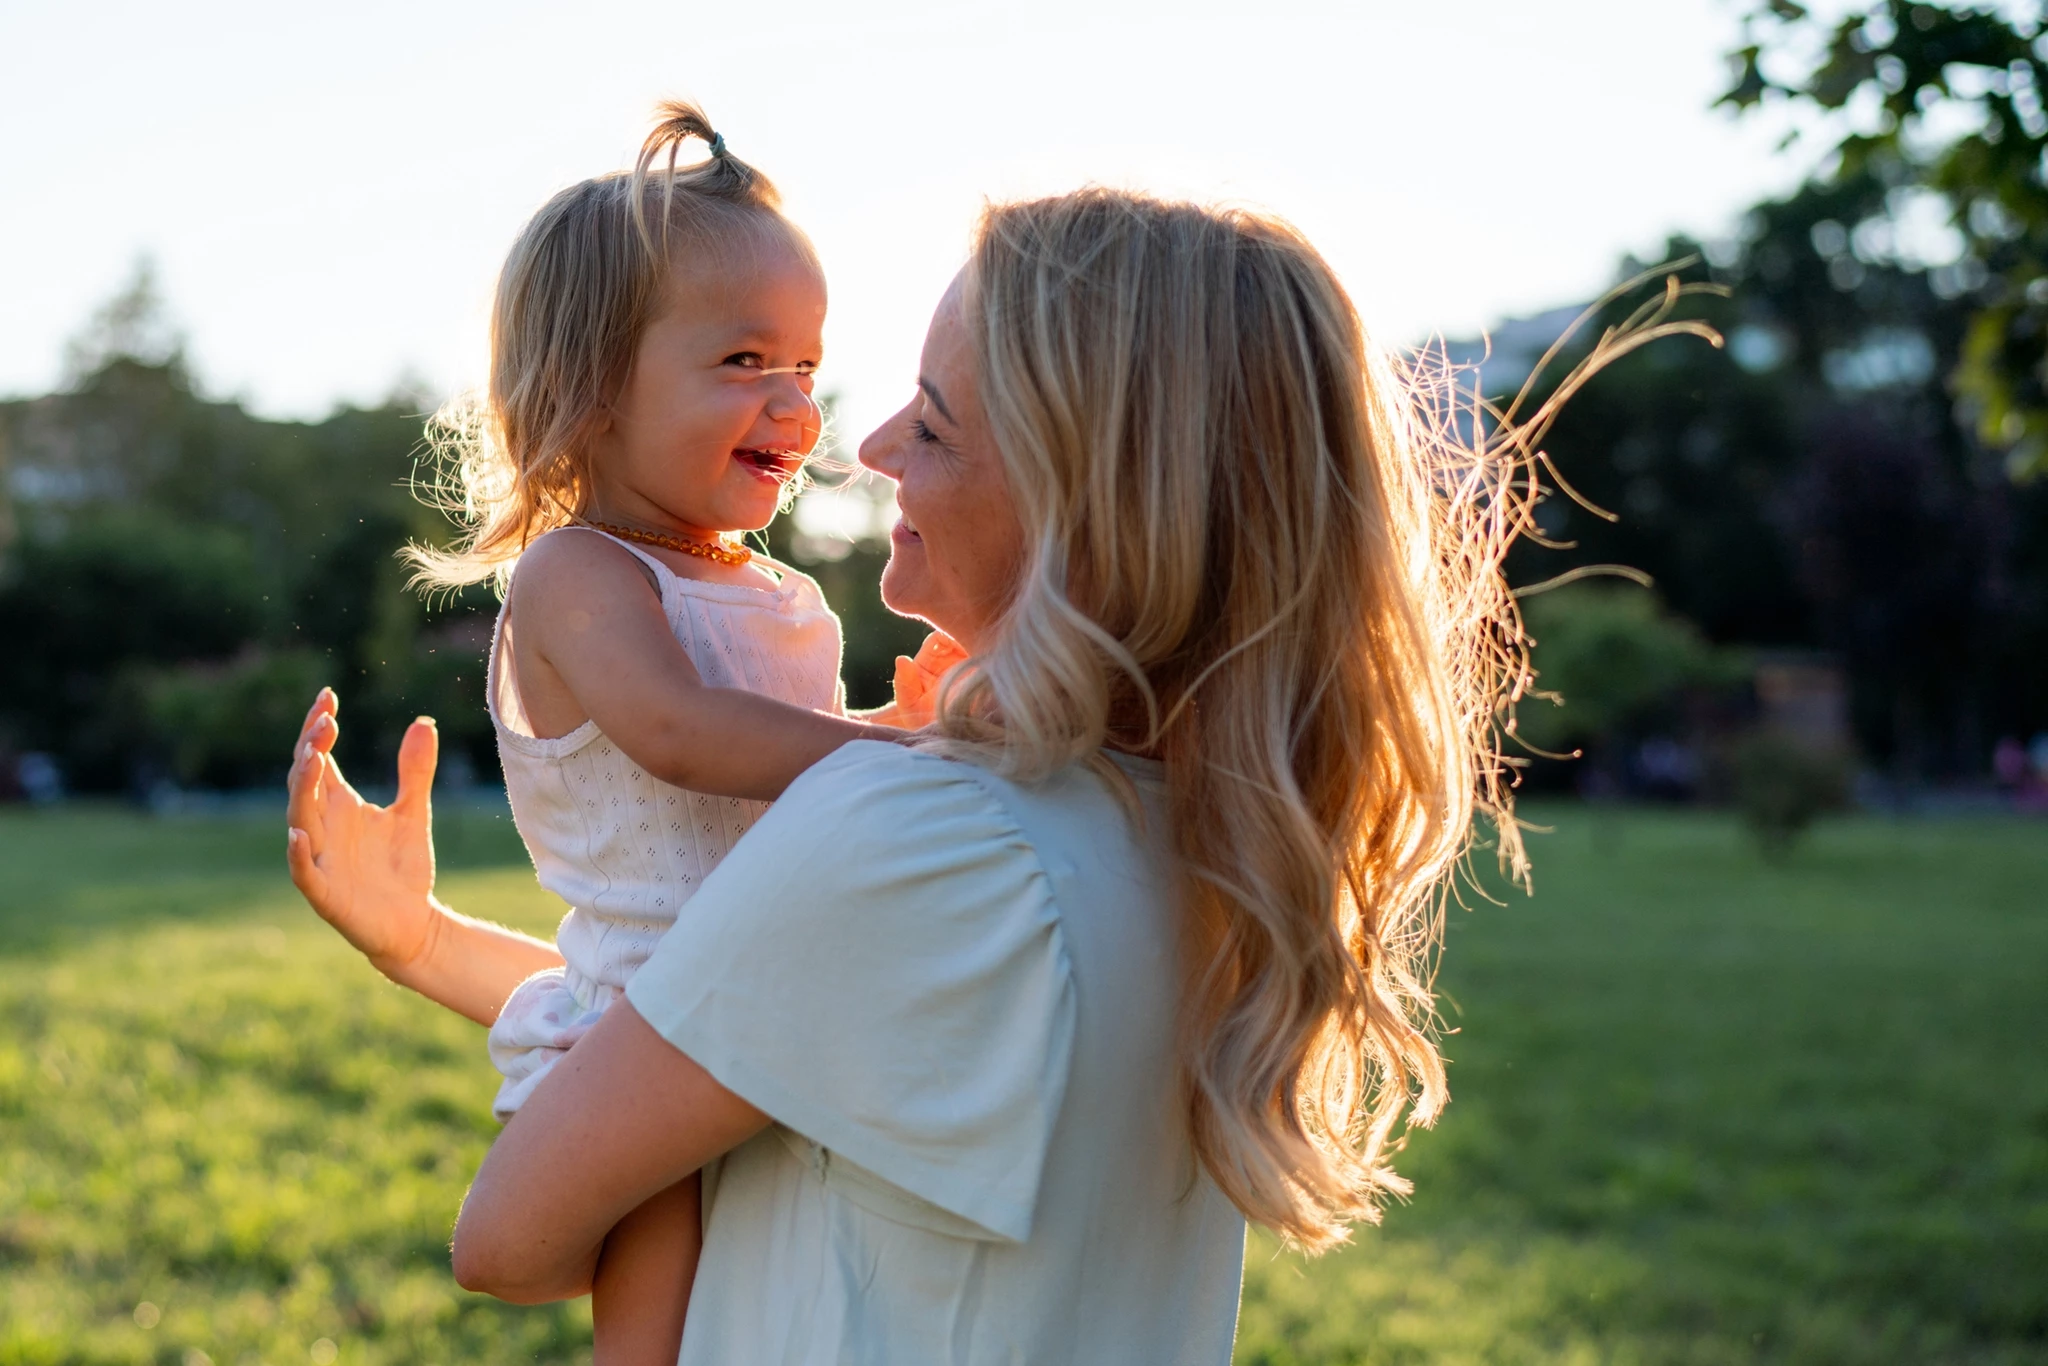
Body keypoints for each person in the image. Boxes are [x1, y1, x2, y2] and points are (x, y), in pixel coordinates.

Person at [289, 186, 1642, 1362]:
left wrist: (905, 750)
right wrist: (427, 942)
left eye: (932, 425)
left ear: (1091, 506)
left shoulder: (911, 836)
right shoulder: (1196, 838)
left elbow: (510, 1238)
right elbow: (689, 992)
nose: (864, 446)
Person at [294, 100, 925, 1365]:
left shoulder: (777, 592)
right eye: (744, 361)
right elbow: (684, 733)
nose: (794, 404)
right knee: (664, 1300)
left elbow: (773, 768)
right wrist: (910, 757)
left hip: (773, 987)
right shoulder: (578, 574)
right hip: (656, 1019)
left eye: (804, 364)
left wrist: (905, 721)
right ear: (587, 392)